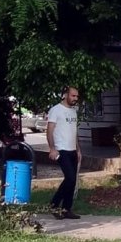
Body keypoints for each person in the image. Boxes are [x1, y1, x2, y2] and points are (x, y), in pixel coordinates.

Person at [47, 86, 82, 220]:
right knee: (70, 178)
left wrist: (78, 149)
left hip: (72, 149)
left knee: (72, 182)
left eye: (77, 96)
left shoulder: (73, 112)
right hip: (61, 149)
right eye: (73, 96)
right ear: (65, 95)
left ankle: (67, 209)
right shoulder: (56, 110)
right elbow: (49, 130)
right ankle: (54, 205)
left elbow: (74, 132)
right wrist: (52, 148)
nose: (75, 99)